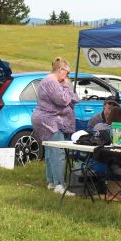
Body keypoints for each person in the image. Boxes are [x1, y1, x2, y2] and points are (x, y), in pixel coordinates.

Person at [31, 57, 78, 196]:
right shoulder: (52, 81)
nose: (67, 76)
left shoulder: (50, 81)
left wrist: (68, 94)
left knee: (51, 151)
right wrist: (66, 86)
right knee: (58, 153)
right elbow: (63, 100)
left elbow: (75, 98)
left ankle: (52, 182)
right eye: (67, 73)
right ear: (60, 69)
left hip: (46, 120)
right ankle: (59, 185)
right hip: (50, 122)